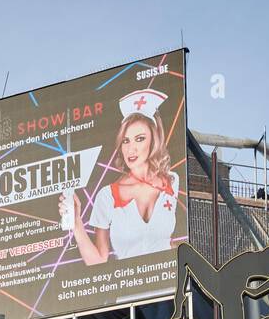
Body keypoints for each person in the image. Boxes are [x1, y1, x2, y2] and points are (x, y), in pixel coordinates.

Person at [59, 90, 179, 264]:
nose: (131, 149)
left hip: (167, 281)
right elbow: (98, 261)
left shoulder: (172, 181)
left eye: (139, 139)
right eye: (125, 141)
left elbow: (167, 241)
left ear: (154, 140)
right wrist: (76, 222)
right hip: (130, 284)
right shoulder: (107, 196)